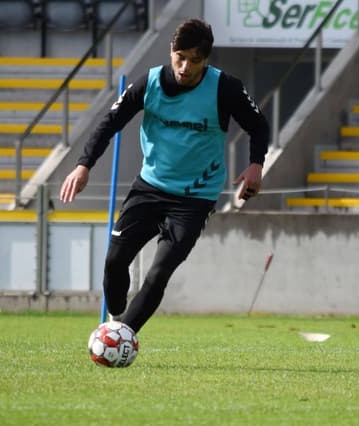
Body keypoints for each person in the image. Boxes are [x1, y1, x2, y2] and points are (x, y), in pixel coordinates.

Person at [59, 18, 269, 333]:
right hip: (149, 189)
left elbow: (258, 126)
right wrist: (83, 164)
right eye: (179, 57)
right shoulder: (149, 83)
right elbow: (109, 123)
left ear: (206, 59)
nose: (185, 66)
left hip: (194, 199)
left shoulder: (225, 88)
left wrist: (256, 165)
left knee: (158, 274)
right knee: (114, 263)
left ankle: (123, 336)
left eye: (194, 60)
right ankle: (116, 320)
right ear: (171, 51)